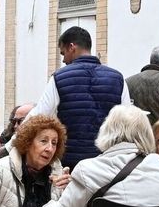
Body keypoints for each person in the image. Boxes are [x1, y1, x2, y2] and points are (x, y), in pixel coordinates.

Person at [30, 26, 129, 167]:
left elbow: (38, 117)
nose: (63, 60)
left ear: (72, 47)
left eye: (63, 53)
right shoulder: (118, 79)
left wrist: (11, 145)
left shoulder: (59, 78)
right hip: (108, 164)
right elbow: (128, 124)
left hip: (71, 164)